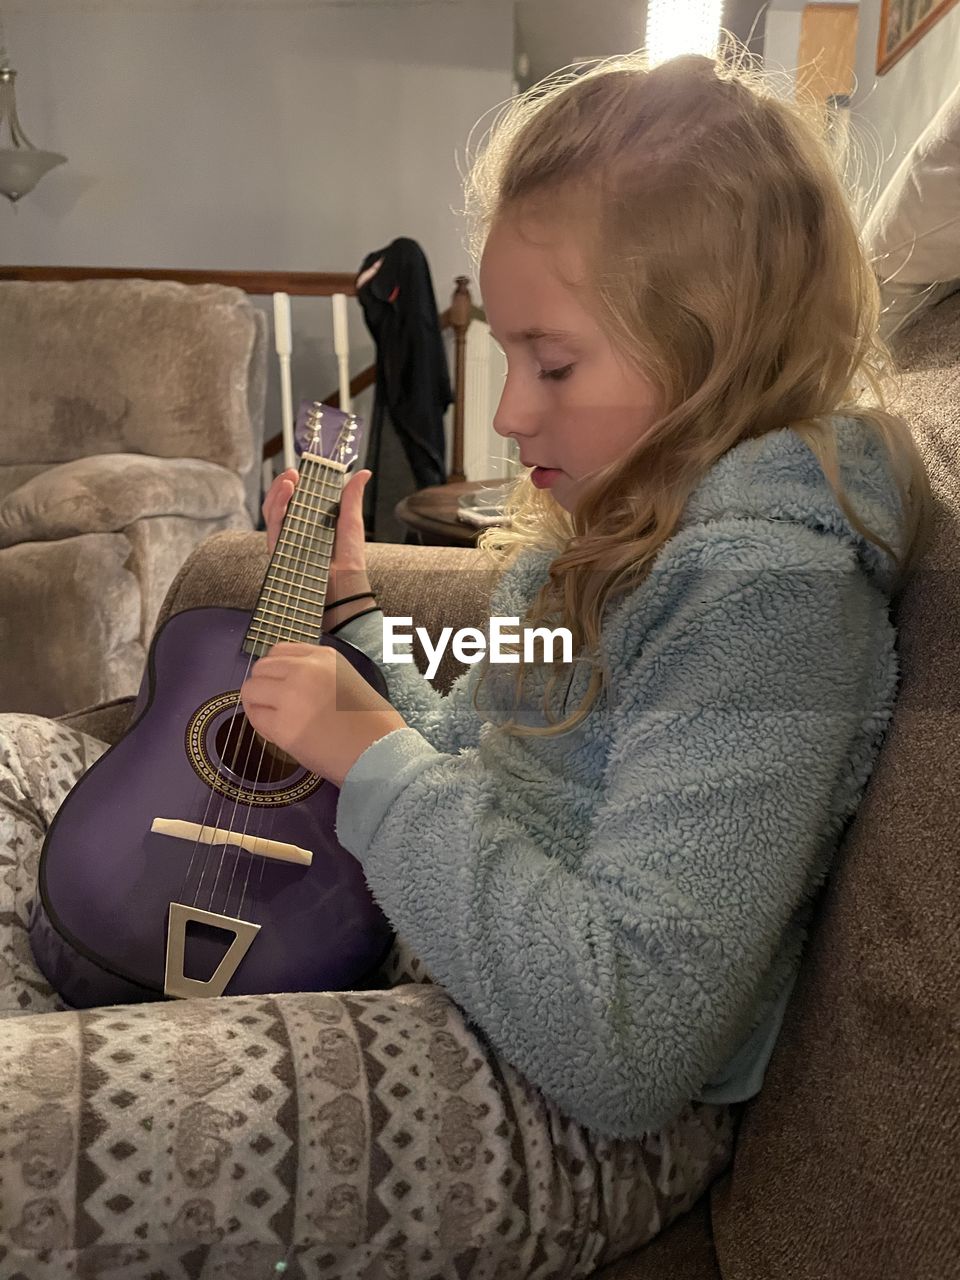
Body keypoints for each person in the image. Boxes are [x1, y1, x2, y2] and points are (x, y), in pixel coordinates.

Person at [0, 49, 931, 1279]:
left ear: (718, 358)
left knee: (40, 1129)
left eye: (555, 362)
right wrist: (355, 615)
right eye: (509, 353)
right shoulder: (602, 553)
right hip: (458, 970)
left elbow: (629, 1036)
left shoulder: (768, 603)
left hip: (582, 1114)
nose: (505, 412)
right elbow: (486, 757)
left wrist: (369, 758)